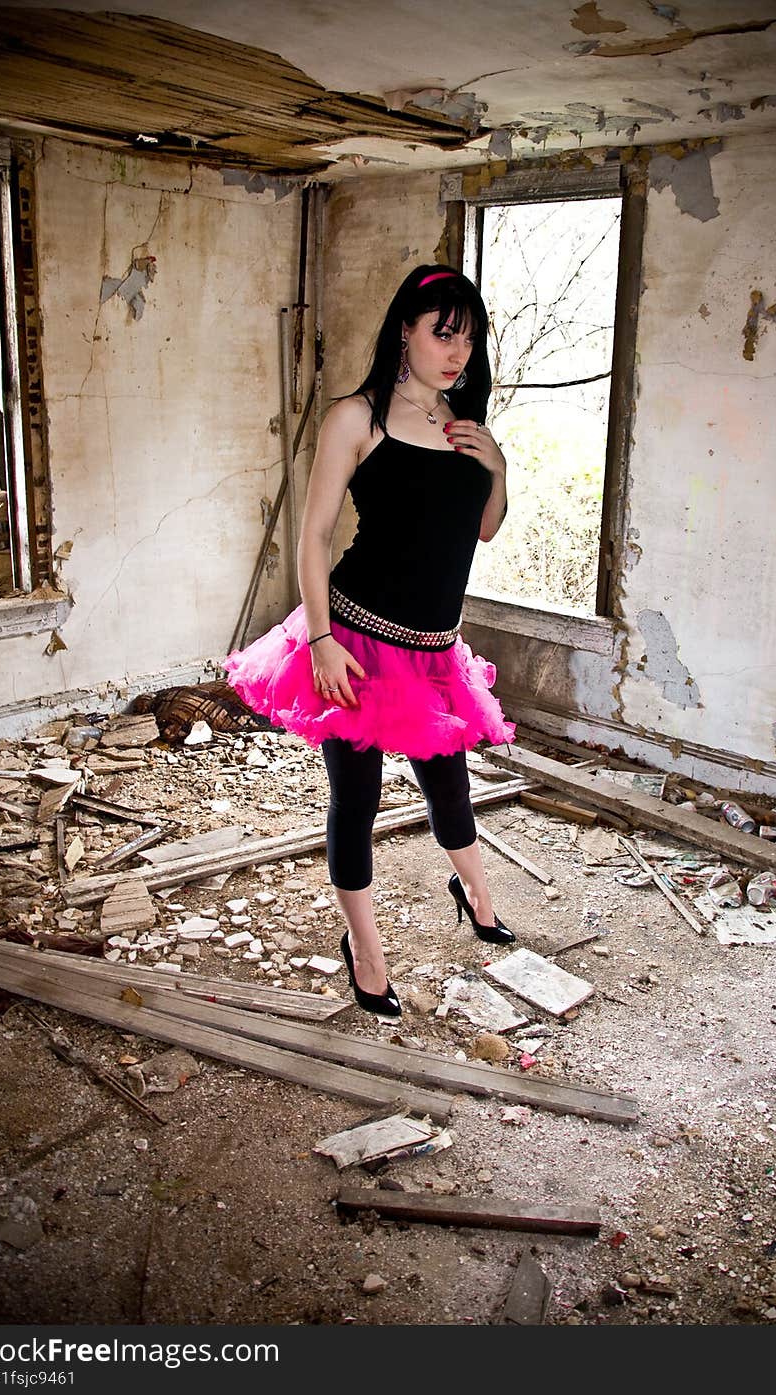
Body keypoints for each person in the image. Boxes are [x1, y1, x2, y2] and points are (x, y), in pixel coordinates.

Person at [224, 264, 516, 1017]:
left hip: (436, 647)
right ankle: (368, 949)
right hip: (356, 638)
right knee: (356, 798)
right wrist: (319, 637)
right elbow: (314, 537)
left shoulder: (465, 423)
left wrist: (500, 469)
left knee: (448, 787)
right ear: (404, 333)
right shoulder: (358, 418)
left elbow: (479, 530)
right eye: (442, 333)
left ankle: (477, 894)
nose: (457, 351)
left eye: (469, 336)